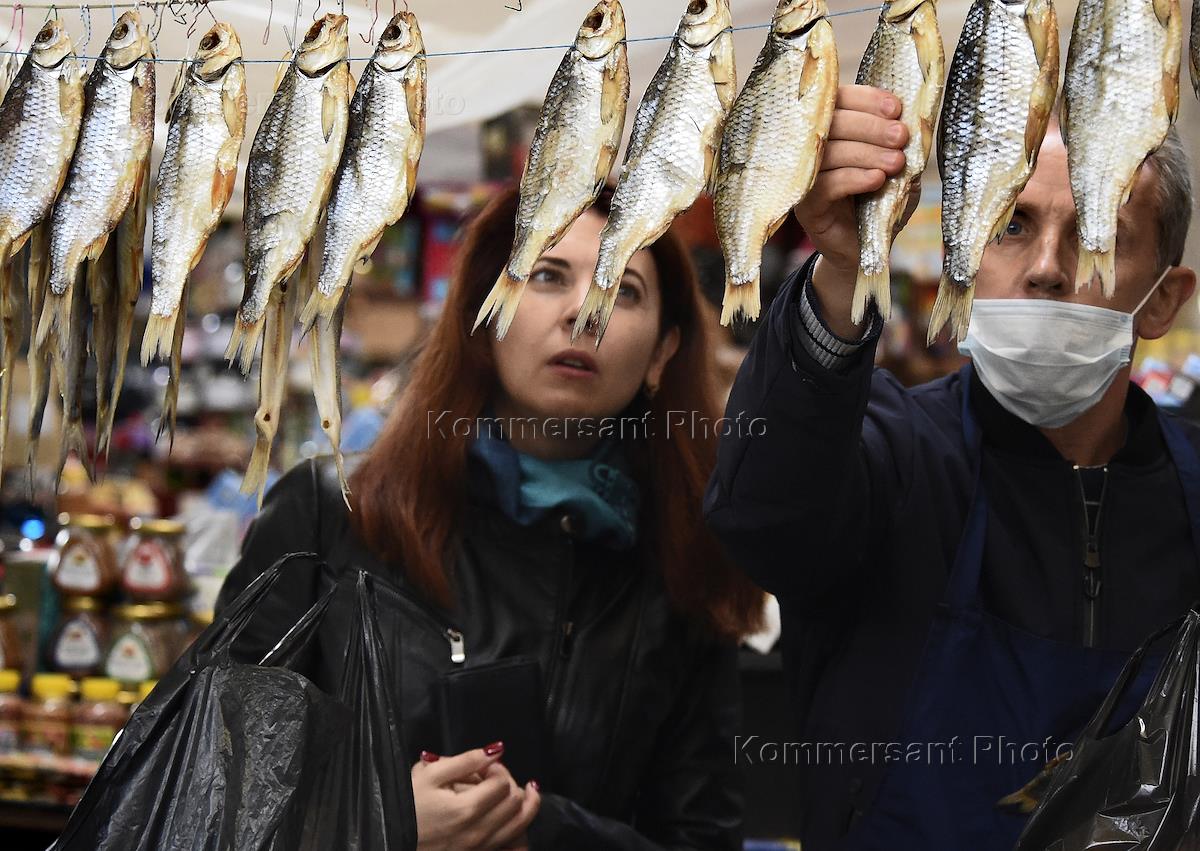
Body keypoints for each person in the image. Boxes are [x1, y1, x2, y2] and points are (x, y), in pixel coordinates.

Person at [704, 84, 1200, 850]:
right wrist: (841, 271)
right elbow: (764, 518)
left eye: (1099, 231)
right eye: (1011, 224)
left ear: (1164, 301)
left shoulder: (1191, 493)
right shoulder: (893, 455)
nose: (1045, 267)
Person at [217, 184, 763, 850]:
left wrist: (539, 829)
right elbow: (208, 782)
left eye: (622, 290)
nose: (584, 310)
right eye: (547, 275)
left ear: (661, 353)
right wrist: (375, 827)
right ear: (486, 312)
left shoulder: (683, 565)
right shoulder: (330, 513)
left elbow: (702, 838)